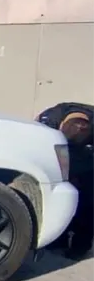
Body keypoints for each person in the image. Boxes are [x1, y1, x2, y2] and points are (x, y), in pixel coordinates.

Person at [38, 103, 94, 259]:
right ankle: (58, 239)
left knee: (88, 204)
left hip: (88, 160)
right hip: (57, 155)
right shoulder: (48, 120)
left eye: (83, 132)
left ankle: (80, 246)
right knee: (60, 199)